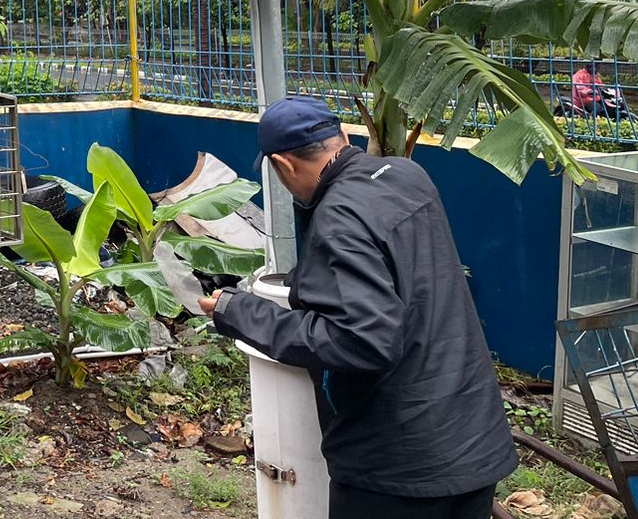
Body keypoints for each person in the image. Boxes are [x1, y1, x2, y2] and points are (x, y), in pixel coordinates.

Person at [202, 96, 515, 519]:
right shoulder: (407, 175)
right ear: (344, 136)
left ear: (283, 166)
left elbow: (363, 341)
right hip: (472, 441)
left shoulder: (338, 217)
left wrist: (241, 312)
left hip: (399, 470)